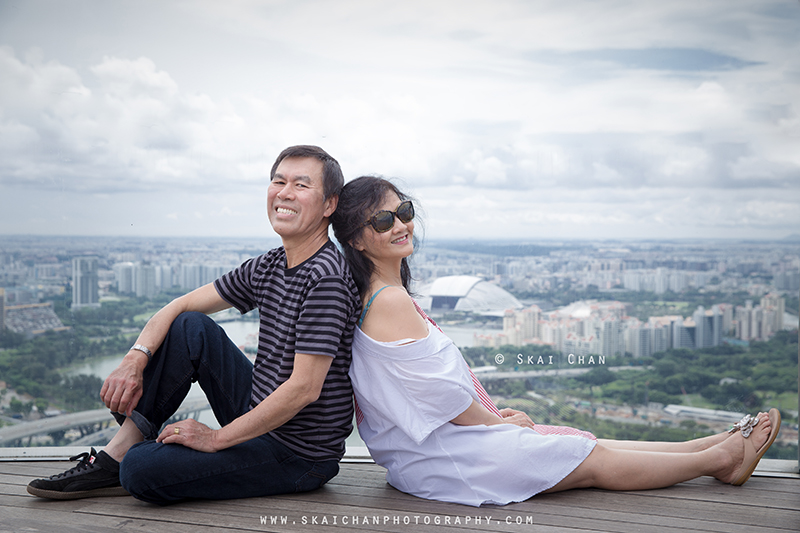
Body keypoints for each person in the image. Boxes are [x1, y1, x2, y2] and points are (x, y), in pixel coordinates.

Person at [330, 175, 781, 507]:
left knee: (586, 443)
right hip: (448, 459)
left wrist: (491, 417)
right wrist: (494, 425)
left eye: (403, 211)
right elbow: (441, 394)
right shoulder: (390, 301)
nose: (400, 224)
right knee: (589, 456)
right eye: (383, 219)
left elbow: (426, 392)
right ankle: (720, 459)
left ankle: (708, 444)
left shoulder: (383, 296)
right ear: (357, 239)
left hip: (432, 453)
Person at [27, 145, 361, 505]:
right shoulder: (270, 265)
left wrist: (215, 438)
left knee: (140, 471)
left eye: (301, 185)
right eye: (278, 181)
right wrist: (134, 360)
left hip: (299, 454)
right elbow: (180, 305)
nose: (284, 192)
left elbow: (304, 389)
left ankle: (125, 462)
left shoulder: (325, 278)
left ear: (329, 205)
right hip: (260, 412)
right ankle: (116, 453)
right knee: (191, 326)